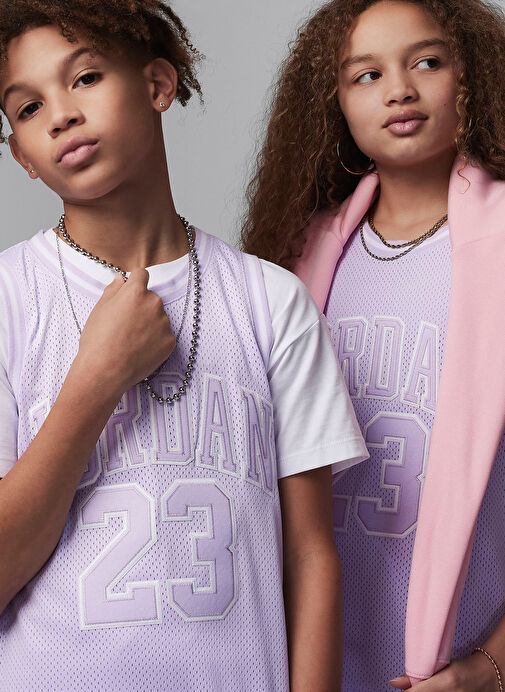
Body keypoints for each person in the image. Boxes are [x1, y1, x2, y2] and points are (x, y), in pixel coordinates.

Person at [0, 1, 369, 690]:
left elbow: (310, 556)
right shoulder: (9, 300)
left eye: (85, 78)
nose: (60, 115)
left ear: (158, 84)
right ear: (22, 156)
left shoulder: (271, 302)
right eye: (27, 108)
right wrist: (96, 378)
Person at [243, 0, 505, 689]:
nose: (399, 90)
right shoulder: (294, 259)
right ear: (333, 103)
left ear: (472, 76)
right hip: (315, 667)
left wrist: (491, 667)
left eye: (427, 62)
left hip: (455, 670)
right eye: (366, 74)